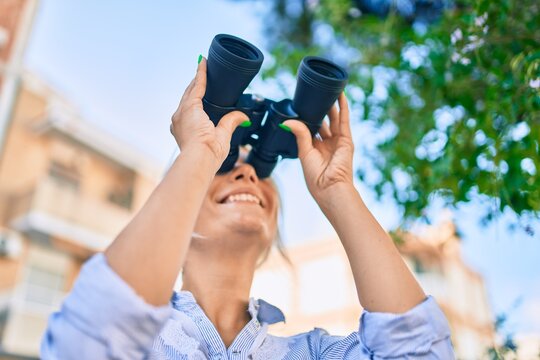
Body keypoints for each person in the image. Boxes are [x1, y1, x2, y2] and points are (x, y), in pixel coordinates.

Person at [41, 57, 455, 359]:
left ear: (273, 224)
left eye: (260, 171)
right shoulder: (143, 344)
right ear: (180, 207)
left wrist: (336, 190)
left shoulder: (310, 353)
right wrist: (201, 154)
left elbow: (419, 350)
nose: (248, 176)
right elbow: (90, 338)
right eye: (223, 170)